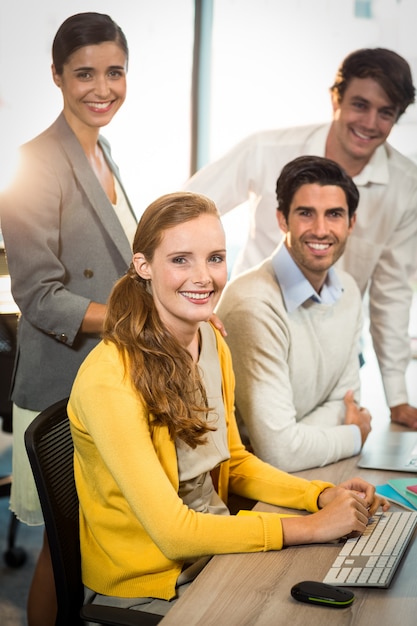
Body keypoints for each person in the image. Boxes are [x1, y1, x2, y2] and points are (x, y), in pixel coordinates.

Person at [67, 191, 388, 617]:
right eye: (181, 259)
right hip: (154, 586)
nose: (204, 277)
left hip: (217, 552)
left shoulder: (211, 342)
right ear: (144, 266)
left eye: (215, 258)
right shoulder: (109, 378)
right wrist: (309, 527)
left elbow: (234, 460)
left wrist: (321, 495)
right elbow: (173, 534)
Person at [184, 47, 417, 430]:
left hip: (334, 345)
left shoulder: (406, 187)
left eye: (386, 112)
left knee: (330, 449)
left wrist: (398, 396)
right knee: (257, 442)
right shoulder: (265, 149)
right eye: (360, 105)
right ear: (335, 99)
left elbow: (392, 292)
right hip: (255, 330)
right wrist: (196, 298)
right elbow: (186, 213)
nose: (370, 122)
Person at [0, 12, 135, 626]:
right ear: (56, 76)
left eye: (114, 72)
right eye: (84, 74)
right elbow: (38, 294)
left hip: (103, 379)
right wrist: (140, 323)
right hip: (61, 384)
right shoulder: (35, 163)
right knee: (62, 549)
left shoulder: (103, 150)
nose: (101, 88)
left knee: (90, 543)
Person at [216, 156, 372, 472]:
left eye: (334, 215)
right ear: (282, 220)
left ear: (350, 223)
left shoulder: (349, 291)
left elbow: (345, 403)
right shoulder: (253, 304)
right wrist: (354, 435)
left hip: (312, 472)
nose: (320, 229)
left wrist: (298, 436)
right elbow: (278, 453)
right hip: (247, 493)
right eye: (305, 213)